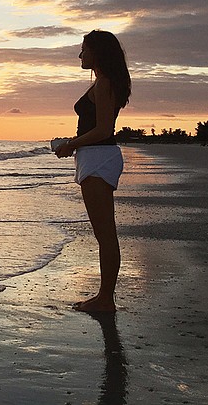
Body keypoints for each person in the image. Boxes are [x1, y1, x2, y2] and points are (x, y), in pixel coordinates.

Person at [55, 30, 131, 312]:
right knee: (104, 233)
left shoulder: (104, 84)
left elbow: (103, 130)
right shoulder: (105, 82)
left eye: (84, 50)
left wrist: (70, 144)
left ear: (98, 52)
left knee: (105, 234)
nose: (80, 55)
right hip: (97, 157)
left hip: (99, 158)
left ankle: (105, 299)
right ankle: (104, 297)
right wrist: (74, 145)